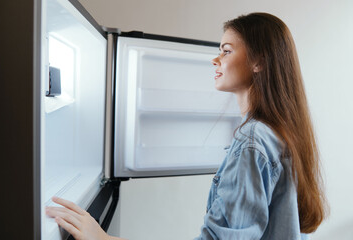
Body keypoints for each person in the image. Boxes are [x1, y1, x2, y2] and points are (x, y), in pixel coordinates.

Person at [46, 12, 328, 240]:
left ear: (259, 62)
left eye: (226, 51)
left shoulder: (252, 141)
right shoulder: (280, 135)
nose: (215, 59)